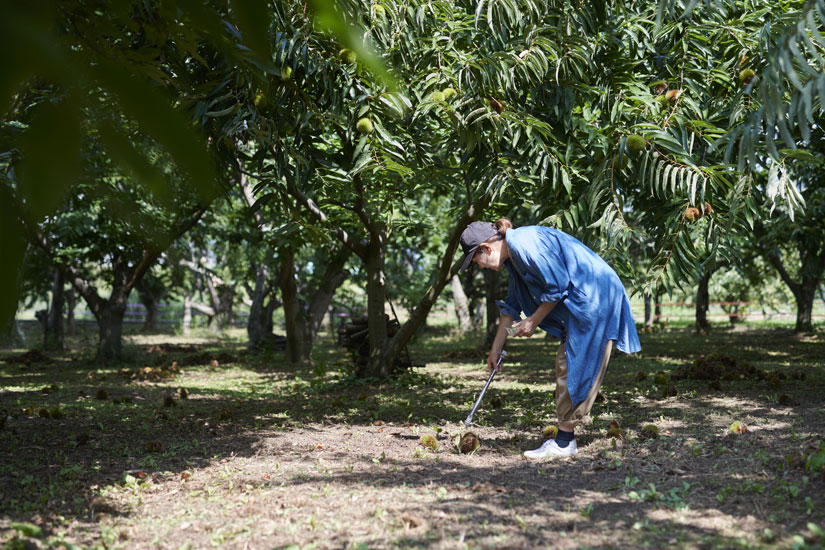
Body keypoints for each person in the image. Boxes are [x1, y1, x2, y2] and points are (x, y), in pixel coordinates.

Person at [459, 219, 641, 458]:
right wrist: (495, 350)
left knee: (571, 362)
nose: (479, 266)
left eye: (475, 260)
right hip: (586, 299)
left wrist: (533, 321)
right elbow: (511, 306)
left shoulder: (526, 244)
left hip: (596, 296)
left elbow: (557, 286)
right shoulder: (514, 259)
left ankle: (564, 443)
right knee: (567, 361)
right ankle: (565, 437)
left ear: (485, 248)